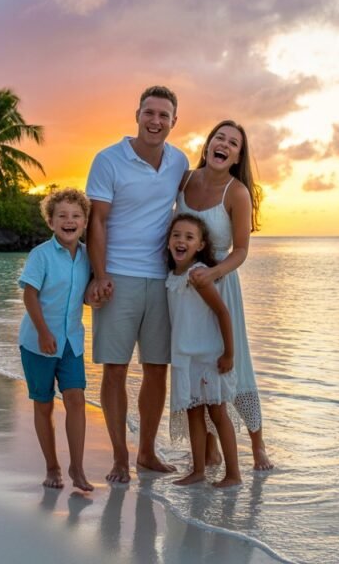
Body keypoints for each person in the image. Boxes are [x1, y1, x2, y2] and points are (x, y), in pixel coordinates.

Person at [85, 85, 189, 483]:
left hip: (163, 279)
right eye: (150, 112)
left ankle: (146, 452)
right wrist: (99, 274)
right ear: (137, 114)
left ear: (174, 122)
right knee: (114, 369)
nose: (156, 121)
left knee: (157, 369)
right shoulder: (109, 159)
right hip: (118, 277)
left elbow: (198, 197)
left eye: (164, 115)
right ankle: (117, 456)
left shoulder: (178, 162)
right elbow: (98, 220)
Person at [177, 120, 274, 470]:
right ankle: (211, 448)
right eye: (220, 137)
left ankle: (258, 444)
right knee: (199, 365)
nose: (224, 144)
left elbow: (241, 250)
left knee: (235, 364)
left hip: (220, 284)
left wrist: (213, 274)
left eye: (233, 143)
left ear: (236, 157)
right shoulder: (185, 179)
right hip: (187, 290)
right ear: (208, 145)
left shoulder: (237, 192)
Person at [18, 188, 94, 492]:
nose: (69, 220)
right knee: (44, 404)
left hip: (72, 342)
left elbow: (86, 294)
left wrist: (97, 296)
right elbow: (29, 294)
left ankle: (77, 467)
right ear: (51, 221)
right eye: (62, 215)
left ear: (85, 221)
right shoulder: (41, 255)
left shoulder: (89, 256)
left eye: (76, 215)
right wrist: (43, 332)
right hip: (38, 342)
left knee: (76, 400)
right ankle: (52, 466)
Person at [165, 213, 242, 488]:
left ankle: (233, 473)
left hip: (209, 356)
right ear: (168, 241)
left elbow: (222, 312)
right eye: (176, 235)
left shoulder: (198, 275)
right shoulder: (172, 276)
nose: (181, 241)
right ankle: (198, 470)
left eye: (189, 237)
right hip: (185, 357)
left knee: (218, 413)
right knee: (193, 413)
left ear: (200, 245)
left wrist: (229, 354)